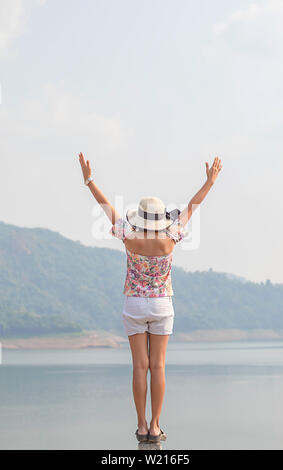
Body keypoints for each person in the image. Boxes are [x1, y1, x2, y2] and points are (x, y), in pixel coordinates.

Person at [78, 152, 222, 443]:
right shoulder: (171, 236)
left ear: (141, 217)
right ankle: (156, 426)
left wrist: (89, 180)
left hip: (133, 303)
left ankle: (141, 425)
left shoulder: (128, 235)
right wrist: (209, 182)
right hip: (161, 305)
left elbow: (105, 207)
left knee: (139, 367)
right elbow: (194, 207)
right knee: (158, 366)